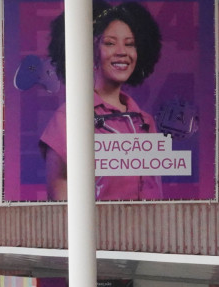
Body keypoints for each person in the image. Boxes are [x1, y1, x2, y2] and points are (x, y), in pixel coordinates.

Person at [40, 1, 164, 201]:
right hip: (96, 231)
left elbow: (155, 192)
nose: (122, 51)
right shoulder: (69, 117)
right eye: (110, 43)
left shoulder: (145, 121)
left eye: (130, 43)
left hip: (147, 231)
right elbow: (60, 201)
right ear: (88, 51)